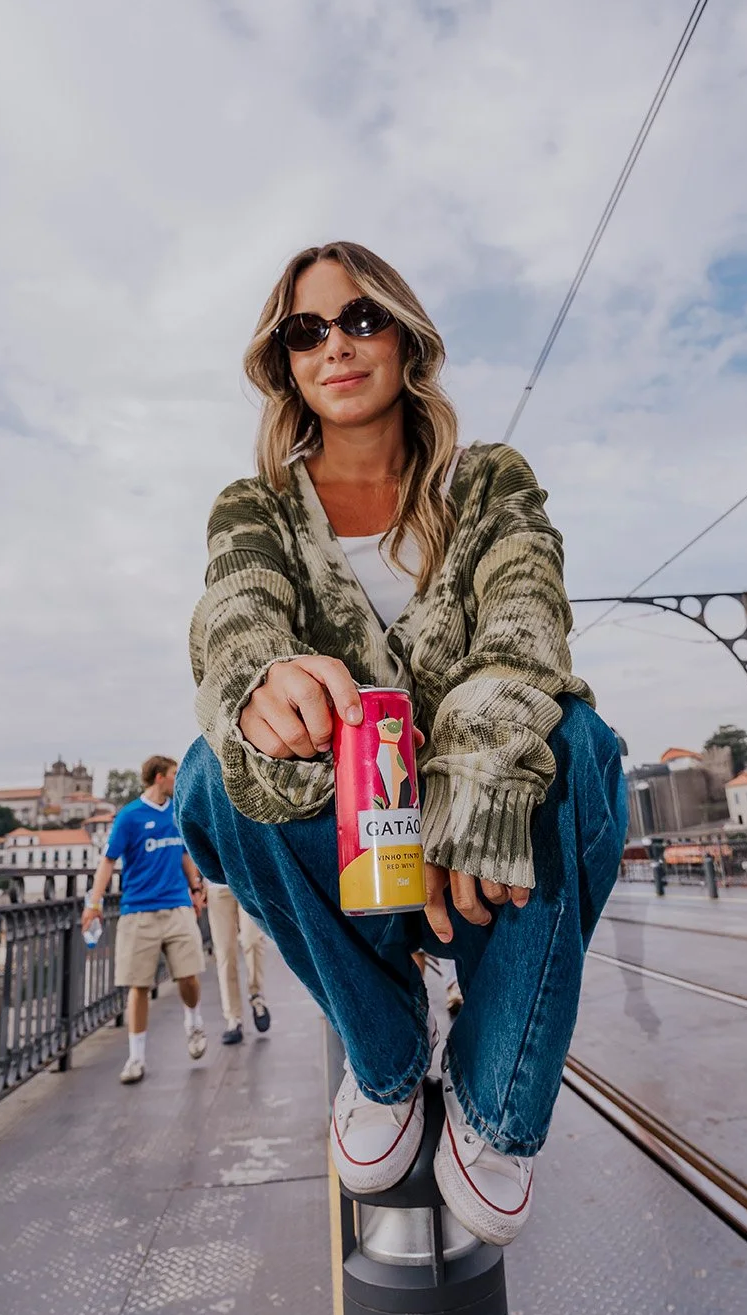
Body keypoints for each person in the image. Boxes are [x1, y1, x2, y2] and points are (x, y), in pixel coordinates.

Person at [174, 241, 627, 1245]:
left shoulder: (492, 480)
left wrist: (470, 784)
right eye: (305, 329)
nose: (334, 345)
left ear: (404, 335)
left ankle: (495, 1097)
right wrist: (261, 679)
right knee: (210, 774)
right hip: (355, 871)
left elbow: (525, 622)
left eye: (358, 318)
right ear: (284, 360)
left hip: (483, 861)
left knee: (582, 740)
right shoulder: (255, 507)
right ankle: (385, 1058)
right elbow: (233, 611)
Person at [84, 754, 209, 1084]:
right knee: (138, 986)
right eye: (173, 774)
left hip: (178, 906)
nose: (177, 779)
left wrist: (196, 888)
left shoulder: (176, 812)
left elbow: (185, 853)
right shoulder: (129, 817)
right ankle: (136, 1058)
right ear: (159, 778)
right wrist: (93, 903)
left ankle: (193, 1021)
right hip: (138, 911)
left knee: (189, 975)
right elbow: (108, 861)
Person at [205, 877, 272, 1044]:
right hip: (216, 885)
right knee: (225, 952)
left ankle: (256, 995)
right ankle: (233, 1018)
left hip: (245, 881)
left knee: (253, 940)